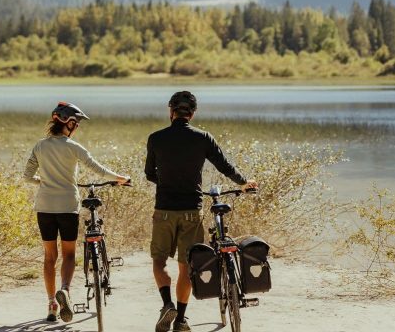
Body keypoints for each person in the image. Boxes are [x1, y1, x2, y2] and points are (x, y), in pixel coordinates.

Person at [145, 90, 258, 332]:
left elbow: (149, 174)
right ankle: (181, 319)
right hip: (191, 211)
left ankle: (167, 304)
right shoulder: (203, 138)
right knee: (186, 265)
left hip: (164, 209)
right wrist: (243, 183)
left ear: (171, 111)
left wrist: (167, 182)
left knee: (159, 260)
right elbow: (225, 166)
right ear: (193, 113)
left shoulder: (155, 138)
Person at [24, 101, 130, 324]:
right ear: (68, 123)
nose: (78, 127)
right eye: (77, 123)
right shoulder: (73, 147)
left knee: (49, 256)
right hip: (67, 206)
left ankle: (52, 303)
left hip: (44, 207)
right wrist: (121, 179)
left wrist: (43, 181)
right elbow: (98, 169)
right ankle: (65, 290)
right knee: (69, 254)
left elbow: (26, 176)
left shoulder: (39, 146)